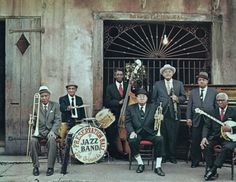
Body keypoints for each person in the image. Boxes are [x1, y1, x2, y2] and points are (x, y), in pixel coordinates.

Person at [126, 88, 165, 176]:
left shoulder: (154, 107)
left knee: (160, 139)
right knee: (132, 141)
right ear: (136, 98)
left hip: (150, 133)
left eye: (144, 96)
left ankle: (158, 166)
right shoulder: (130, 108)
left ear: (147, 98)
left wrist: (161, 118)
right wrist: (131, 132)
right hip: (137, 132)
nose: (142, 98)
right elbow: (127, 122)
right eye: (139, 96)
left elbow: (158, 121)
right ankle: (140, 163)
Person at [151, 64, 186, 163]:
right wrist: (157, 111)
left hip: (174, 114)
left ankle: (172, 156)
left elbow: (184, 97)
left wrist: (178, 99)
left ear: (172, 73)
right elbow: (153, 100)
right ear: (162, 74)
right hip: (161, 114)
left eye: (169, 71)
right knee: (162, 136)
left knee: (173, 136)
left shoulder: (179, 84)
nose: (167, 73)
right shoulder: (157, 84)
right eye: (165, 72)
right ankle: (163, 156)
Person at [200, 93, 236, 181]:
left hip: (230, 139)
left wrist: (231, 129)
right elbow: (206, 126)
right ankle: (211, 169)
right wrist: (204, 137)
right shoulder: (213, 112)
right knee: (206, 146)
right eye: (218, 100)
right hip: (216, 137)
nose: (220, 102)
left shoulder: (234, 111)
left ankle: (212, 170)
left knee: (226, 148)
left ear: (227, 101)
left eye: (222, 100)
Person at [186, 72, 217, 168]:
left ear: (207, 81)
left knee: (208, 141)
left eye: (203, 80)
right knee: (195, 141)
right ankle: (195, 161)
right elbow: (189, 106)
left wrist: (215, 120)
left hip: (209, 120)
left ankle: (209, 162)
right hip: (196, 120)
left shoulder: (214, 92)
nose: (201, 81)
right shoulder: (193, 92)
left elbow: (216, 107)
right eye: (199, 80)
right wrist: (188, 118)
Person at [30, 86, 61, 176]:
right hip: (39, 132)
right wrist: (31, 122)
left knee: (52, 141)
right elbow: (34, 121)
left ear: (49, 96)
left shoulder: (55, 105)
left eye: (45, 96)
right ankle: (35, 167)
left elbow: (58, 120)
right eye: (42, 96)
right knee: (32, 141)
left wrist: (53, 132)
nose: (44, 98)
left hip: (51, 132)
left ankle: (50, 167)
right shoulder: (35, 106)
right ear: (39, 97)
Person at [105, 68, 128, 158]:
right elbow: (107, 102)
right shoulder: (110, 87)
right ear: (115, 76)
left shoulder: (127, 85)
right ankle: (115, 153)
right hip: (114, 114)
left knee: (125, 134)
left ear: (123, 76)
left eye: (121, 74)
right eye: (117, 74)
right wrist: (118, 102)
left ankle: (126, 152)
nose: (119, 76)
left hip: (126, 114)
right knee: (114, 134)